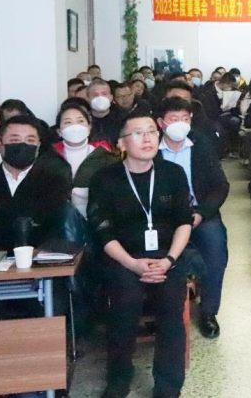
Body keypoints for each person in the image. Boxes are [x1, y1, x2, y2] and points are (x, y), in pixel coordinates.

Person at [87, 111, 192, 398]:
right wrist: (132, 264)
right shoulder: (105, 179)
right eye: (137, 133)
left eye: (151, 132)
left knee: (171, 306)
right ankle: (119, 378)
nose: (147, 138)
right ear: (121, 143)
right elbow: (102, 231)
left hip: (167, 256)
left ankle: (168, 386)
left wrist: (169, 260)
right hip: (123, 257)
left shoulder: (173, 174)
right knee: (125, 302)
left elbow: (184, 221)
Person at [155, 98, 230, 339]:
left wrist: (201, 213)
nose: (180, 124)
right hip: (163, 217)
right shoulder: (151, 148)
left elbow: (220, 185)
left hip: (199, 212)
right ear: (161, 123)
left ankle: (208, 311)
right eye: (174, 119)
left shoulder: (200, 144)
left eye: (185, 119)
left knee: (215, 245)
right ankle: (162, 309)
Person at [0, 115, 72, 253]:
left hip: (42, 259)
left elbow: (49, 215)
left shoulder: (54, 180)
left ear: (38, 146)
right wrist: (26, 209)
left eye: (30, 140)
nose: (23, 145)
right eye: (15, 140)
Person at [51, 103, 118, 218]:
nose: (75, 127)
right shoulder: (48, 160)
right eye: (68, 122)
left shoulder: (107, 158)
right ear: (59, 131)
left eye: (80, 121)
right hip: (59, 223)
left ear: (89, 128)